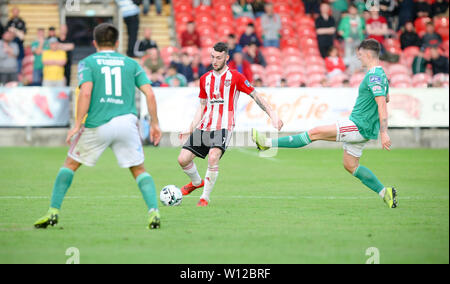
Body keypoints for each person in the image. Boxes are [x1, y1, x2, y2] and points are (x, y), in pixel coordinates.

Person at [34, 23, 162, 230]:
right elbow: (150, 93)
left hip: (97, 124)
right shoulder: (131, 63)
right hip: (126, 123)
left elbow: (85, 93)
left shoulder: (88, 63)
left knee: (70, 164)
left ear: (94, 43)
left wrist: (77, 124)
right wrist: (155, 123)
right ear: (118, 43)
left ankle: (53, 211)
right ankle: (154, 211)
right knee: (138, 169)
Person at [253, 38, 398, 209]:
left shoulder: (374, 75)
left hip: (359, 125)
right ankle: (384, 193)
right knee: (350, 165)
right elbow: (386, 98)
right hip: (364, 128)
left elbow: (382, 103)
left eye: (360, 55)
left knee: (314, 133)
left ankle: (266, 143)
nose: (358, 58)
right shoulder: (380, 75)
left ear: (367, 54)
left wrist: (384, 132)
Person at [177, 42, 283, 207]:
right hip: (205, 126)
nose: (215, 61)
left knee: (213, 157)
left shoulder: (236, 77)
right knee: (182, 159)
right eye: (212, 57)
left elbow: (255, 96)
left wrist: (273, 114)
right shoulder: (205, 79)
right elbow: (202, 106)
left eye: (219, 58)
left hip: (224, 126)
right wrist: (190, 128)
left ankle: (204, 198)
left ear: (226, 58)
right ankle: (197, 182)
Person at [338, 4, 365, 72]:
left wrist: (362, 32)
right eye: (351, 9)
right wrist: (346, 37)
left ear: (356, 10)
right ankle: (351, 71)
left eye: (354, 9)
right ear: (349, 10)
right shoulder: (345, 19)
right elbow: (340, 31)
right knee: (348, 56)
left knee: (360, 55)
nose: (353, 11)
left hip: (359, 40)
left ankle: (360, 70)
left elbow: (364, 29)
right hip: (349, 41)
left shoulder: (360, 19)